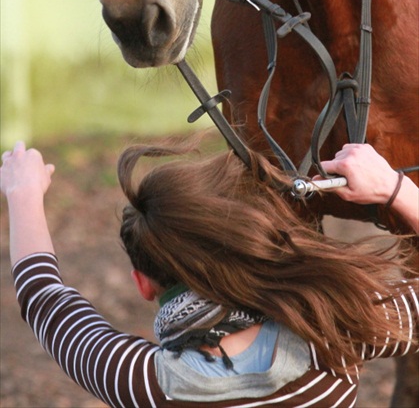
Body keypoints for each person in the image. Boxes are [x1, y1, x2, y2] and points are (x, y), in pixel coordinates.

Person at [1, 140, 418, 408]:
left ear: (144, 285)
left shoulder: (144, 383)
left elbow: (44, 300)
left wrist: (22, 195)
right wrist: (393, 187)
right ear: (251, 242)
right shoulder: (337, 331)